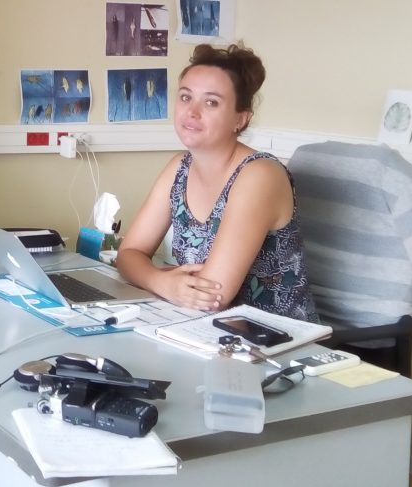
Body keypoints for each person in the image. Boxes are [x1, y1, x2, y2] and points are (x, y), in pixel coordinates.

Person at [116, 44, 318, 322]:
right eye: (185, 97)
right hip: (199, 326)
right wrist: (161, 281)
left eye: (211, 102)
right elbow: (128, 254)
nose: (192, 111)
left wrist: (159, 279)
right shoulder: (179, 167)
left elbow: (212, 297)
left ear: (240, 119)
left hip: (272, 336)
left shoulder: (260, 174)